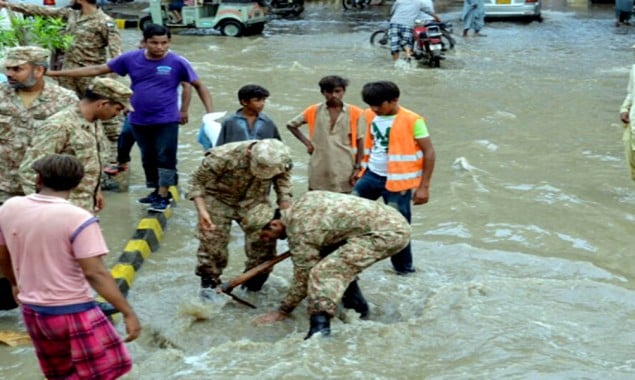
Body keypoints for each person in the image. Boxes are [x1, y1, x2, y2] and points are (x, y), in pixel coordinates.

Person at [0, 154, 141, 379]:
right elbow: (95, 273)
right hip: (71, 310)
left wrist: (15, 284)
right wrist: (127, 312)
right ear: (77, 184)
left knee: (59, 374)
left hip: (33, 311)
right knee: (107, 369)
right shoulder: (78, 218)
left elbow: (3, 255)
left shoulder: (9, 207)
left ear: (38, 180)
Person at [46, 23, 214, 213]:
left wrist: (209, 115)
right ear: (144, 42)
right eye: (154, 43)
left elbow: (199, 85)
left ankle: (164, 194)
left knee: (165, 157)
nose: (159, 47)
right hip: (138, 118)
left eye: (164, 43)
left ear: (169, 42)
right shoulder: (130, 59)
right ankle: (154, 190)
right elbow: (97, 70)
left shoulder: (177, 62)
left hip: (166, 119)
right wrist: (54, 73)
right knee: (148, 157)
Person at [249, 191, 411, 339]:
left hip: (387, 233)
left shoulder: (300, 232)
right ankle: (359, 310)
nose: (267, 240)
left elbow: (303, 276)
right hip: (391, 219)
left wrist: (283, 310)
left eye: (265, 235)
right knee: (335, 261)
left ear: (275, 224)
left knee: (324, 272)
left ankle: (319, 334)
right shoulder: (304, 200)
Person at [0, 0, 124, 166]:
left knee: (106, 118)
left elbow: (117, 57)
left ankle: (112, 160)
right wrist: (8, 5)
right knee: (68, 115)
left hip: (91, 77)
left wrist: (109, 83)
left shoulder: (105, 22)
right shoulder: (71, 15)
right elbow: (41, 11)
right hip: (67, 75)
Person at [187, 139, 293, 299]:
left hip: (254, 200)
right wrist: (202, 212)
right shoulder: (223, 157)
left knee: (265, 241)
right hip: (218, 198)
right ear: (250, 154)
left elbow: (283, 188)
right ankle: (209, 286)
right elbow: (196, 182)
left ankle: (253, 285)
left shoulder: (281, 159)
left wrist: (287, 217)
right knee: (212, 242)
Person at [352, 81, 435, 275]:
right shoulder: (371, 115)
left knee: (398, 229)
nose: (374, 109)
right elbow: (370, 144)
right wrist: (359, 169)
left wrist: (424, 186)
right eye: (371, 105)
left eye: (379, 105)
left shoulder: (413, 120)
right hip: (371, 175)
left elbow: (429, 152)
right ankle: (351, 261)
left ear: (394, 100)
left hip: (399, 183)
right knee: (350, 211)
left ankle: (404, 271)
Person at [20, 77, 133, 214]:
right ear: (102, 104)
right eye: (118, 108)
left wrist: (95, 191)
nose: (118, 114)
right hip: (61, 210)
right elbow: (29, 170)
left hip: (84, 205)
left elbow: (90, 164)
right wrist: (45, 208)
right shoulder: (60, 125)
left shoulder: (94, 122)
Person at [0, 46, 78, 206]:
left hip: (45, 188)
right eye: (8, 69)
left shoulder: (65, 100)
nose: (9, 74)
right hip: (3, 186)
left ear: (38, 70)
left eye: (17, 69)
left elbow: (77, 146)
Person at [286, 75, 364, 193]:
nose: (334, 95)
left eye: (338, 91)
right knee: (316, 200)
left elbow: (360, 141)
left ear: (344, 91)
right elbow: (291, 125)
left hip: (345, 168)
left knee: (343, 203)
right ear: (323, 92)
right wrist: (308, 144)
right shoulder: (314, 110)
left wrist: (358, 168)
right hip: (319, 167)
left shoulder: (356, 113)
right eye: (329, 92)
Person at [215, 84, 281, 147]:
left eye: (263, 100)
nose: (262, 103)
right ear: (244, 102)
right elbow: (220, 146)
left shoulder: (267, 122)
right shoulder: (230, 122)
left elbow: (277, 145)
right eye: (257, 100)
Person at [619, 63, 635, 182]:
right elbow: (631, 92)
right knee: (632, 166)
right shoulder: (634, 68)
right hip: (632, 124)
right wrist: (624, 108)